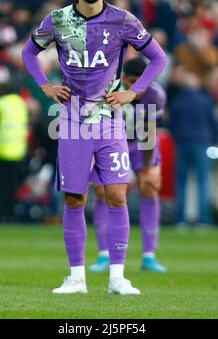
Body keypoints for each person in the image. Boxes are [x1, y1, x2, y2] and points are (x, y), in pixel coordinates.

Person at [22, 0, 167, 295]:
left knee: (117, 194)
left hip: (109, 120)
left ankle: (118, 277)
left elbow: (158, 58)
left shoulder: (123, 21)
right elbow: (28, 52)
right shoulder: (58, 20)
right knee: (75, 199)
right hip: (71, 121)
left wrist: (134, 94)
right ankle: (76, 278)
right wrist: (44, 85)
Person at [89, 57, 167, 273]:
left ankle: (149, 256)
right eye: (132, 81)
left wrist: (147, 167)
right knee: (104, 194)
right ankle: (104, 254)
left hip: (141, 143)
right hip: (114, 141)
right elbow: (98, 128)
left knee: (149, 187)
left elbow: (149, 133)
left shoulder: (155, 94)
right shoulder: (109, 93)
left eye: (141, 81)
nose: (137, 88)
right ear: (123, 79)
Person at [168, 70, 218, 226]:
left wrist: (177, 137)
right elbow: (214, 123)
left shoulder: (176, 101)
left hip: (182, 143)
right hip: (202, 142)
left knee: (181, 183)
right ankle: (203, 219)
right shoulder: (205, 100)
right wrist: (215, 139)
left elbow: (171, 125)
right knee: (203, 182)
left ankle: (181, 219)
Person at [0, 67, 28, 223]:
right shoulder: (20, 103)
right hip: (18, 150)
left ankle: (1, 214)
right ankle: (11, 215)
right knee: (12, 187)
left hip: (2, 150)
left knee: (1, 186)